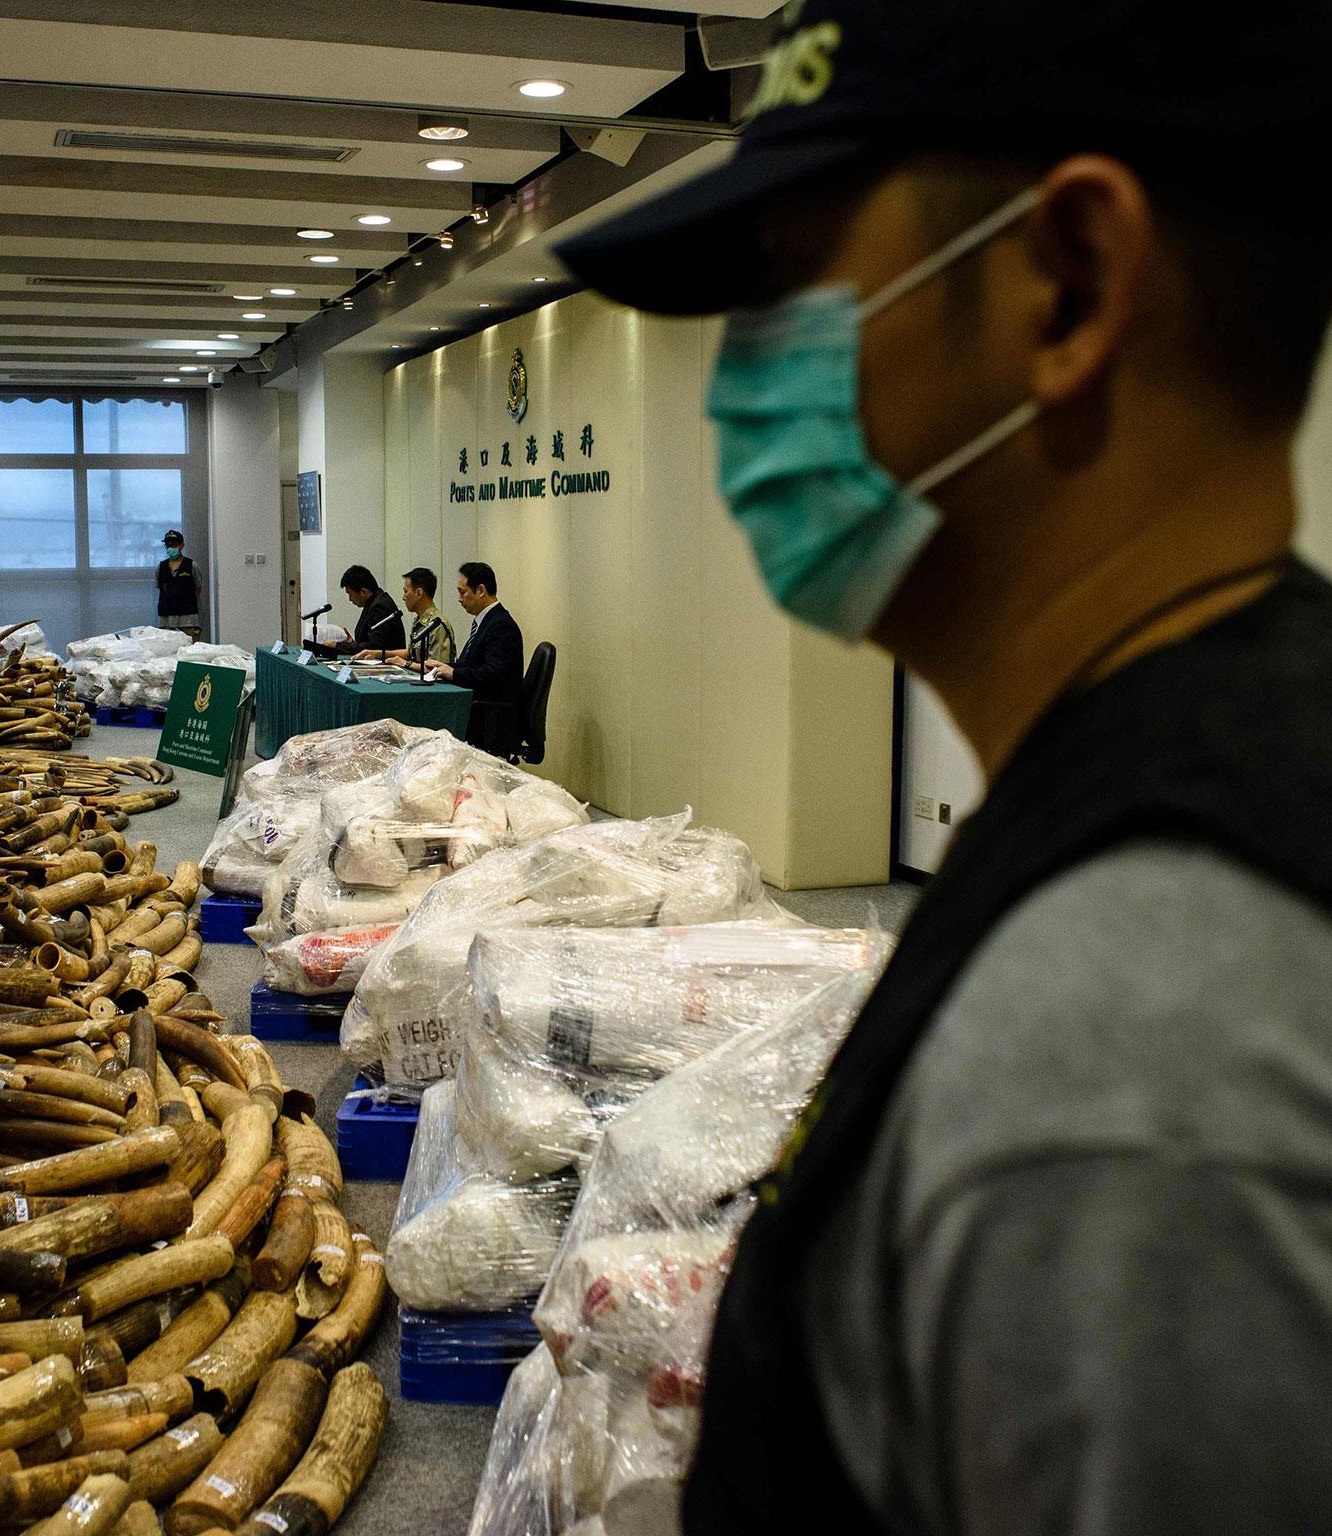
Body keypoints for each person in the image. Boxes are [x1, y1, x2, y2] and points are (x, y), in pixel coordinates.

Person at [556, 3, 1332, 1533]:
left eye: (793, 281)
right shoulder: (1182, 782)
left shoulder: (1129, 1061)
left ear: (1070, 285)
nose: (738, 377)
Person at [424, 562, 523, 754]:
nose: (459, 599)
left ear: (480, 590)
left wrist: (453, 674)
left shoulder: (501, 625)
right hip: (479, 709)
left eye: (462, 592)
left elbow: (493, 675)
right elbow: (472, 665)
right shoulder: (487, 621)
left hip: (490, 717)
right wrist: (444, 666)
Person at [360, 567, 456, 669]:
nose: (403, 597)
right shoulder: (420, 620)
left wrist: (406, 664)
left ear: (419, 593)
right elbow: (410, 653)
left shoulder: (437, 625)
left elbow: (437, 668)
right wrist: (377, 653)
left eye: (406, 591)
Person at [329, 565, 406, 655]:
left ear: (363, 592)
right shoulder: (373, 602)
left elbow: (374, 646)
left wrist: (338, 646)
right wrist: (351, 643)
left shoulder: (380, 606)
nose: (350, 599)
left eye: (350, 594)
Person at [155, 531, 201, 639]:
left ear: (181, 546)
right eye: (168, 545)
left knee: (192, 650)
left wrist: (188, 603)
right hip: (166, 618)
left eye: (174, 545)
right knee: (167, 650)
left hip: (188, 618)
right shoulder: (160, 567)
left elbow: (198, 588)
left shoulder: (191, 565)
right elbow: (160, 588)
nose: (170, 548)